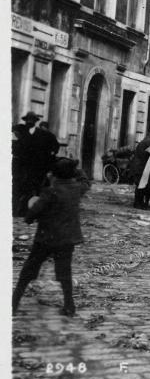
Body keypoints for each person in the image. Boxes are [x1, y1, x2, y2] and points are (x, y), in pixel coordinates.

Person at [12, 158, 90, 317]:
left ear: (54, 175)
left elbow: (31, 214)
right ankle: (69, 305)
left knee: (28, 271)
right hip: (67, 240)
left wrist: (29, 215)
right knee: (65, 273)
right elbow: (85, 182)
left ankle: (13, 303)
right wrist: (76, 169)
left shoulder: (50, 192)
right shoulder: (76, 189)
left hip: (46, 239)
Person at [131, 128, 150, 209]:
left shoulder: (144, 141)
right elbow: (149, 155)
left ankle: (139, 203)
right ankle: (138, 203)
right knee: (142, 186)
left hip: (137, 166)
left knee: (140, 185)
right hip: (142, 167)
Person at [12, 123, 29, 217]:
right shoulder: (25, 142)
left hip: (19, 171)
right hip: (21, 171)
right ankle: (19, 211)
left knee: (17, 192)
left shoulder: (19, 143)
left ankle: (16, 211)